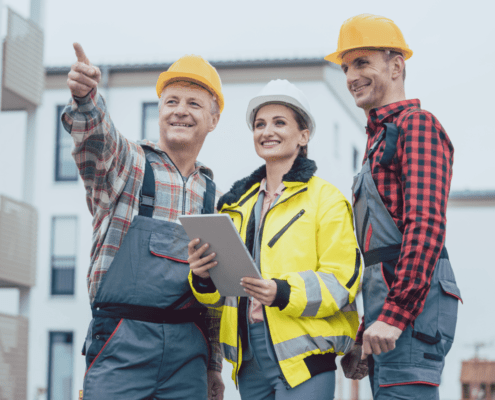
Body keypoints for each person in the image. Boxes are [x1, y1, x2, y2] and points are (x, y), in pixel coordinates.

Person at [63, 43, 225, 400]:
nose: (180, 111)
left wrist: (213, 363)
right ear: (159, 111)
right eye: (171, 102)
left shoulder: (212, 195)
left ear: (214, 120)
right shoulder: (130, 165)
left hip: (189, 353)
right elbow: (97, 141)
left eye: (194, 103)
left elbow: (214, 294)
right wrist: (86, 99)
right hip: (122, 341)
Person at [187, 79, 362, 400]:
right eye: (260, 124)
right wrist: (202, 276)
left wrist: (281, 291)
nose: (267, 131)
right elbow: (219, 296)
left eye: (280, 123)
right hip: (249, 357)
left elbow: (342, 280)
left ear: (303, 135)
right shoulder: (235, 205)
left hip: (305, 357)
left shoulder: (327, 200)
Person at [325, 14, 463, 400]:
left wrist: (394, 314)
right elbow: (380, 255)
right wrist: (366, 326)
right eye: (346, 66)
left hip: (411, 316)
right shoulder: (375, 141)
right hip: (390, 316)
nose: (352, 75)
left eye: (363, 62)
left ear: (396, 65)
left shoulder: (415, 125)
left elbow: (425, 226)